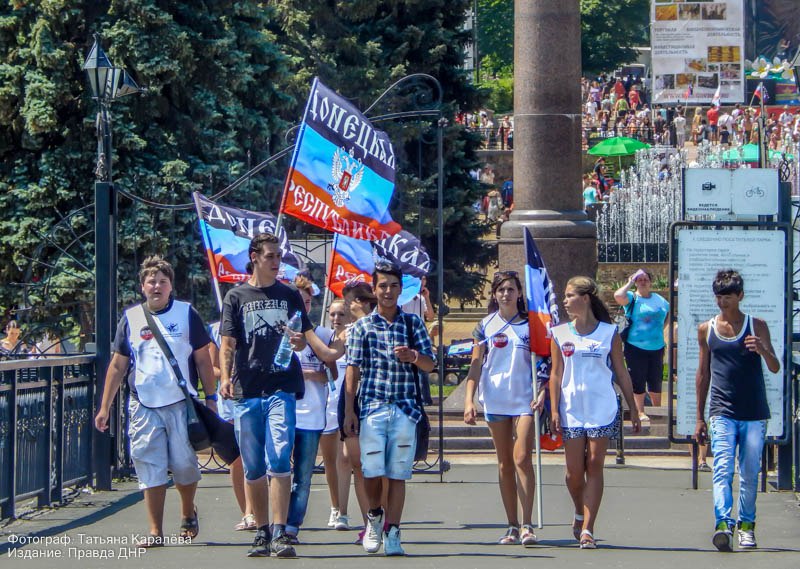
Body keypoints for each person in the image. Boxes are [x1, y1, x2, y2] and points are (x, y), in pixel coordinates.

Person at [218, 232, 342, 558]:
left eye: (278, 256)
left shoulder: (289, 295)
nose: (277, 262)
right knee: (253, 466)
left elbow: (305, 337)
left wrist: (302, 344)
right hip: (247, 389)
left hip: (281, 387)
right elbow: (227, 343)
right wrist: (225, 378)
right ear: (255, 256)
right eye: (271, 256)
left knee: (279, 456)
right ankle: (260, 531)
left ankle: (280, 531)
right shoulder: (236, 297)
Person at [94, 256, 217, 547]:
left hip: (180, 403)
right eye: (152, 281)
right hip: (144, 404)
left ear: (171, 286)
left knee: (185, 465)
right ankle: (155, 530)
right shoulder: (132, 318)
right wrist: (104, 407)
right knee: (149, 464)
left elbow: (202, 359)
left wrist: (210, 399)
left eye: (163, 281)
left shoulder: (187, 314)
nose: (157, 286)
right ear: (142, 287)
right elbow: (117, 365)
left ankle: (188, 513)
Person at [343, 262, 436, 556]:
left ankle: (393, 531)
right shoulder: (362, 327)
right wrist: (349, 411)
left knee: (397, 474)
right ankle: (374, 516)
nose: (388, 291)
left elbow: (430, 364)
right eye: (382, 286)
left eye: (393, 286)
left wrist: (413, 356)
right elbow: (352, 370)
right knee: (371, 471)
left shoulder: (412, 324)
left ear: (400, 289)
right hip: (372, 407)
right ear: (375, 289)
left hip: (405, 408)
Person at [549, 276, 640, 549]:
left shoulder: (608, 333)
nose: (565, 301)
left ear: (585, 298)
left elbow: (621, 372)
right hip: (572, 409)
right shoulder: (559, 333)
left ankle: (588, 527)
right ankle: (579, 510)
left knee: (595, 465)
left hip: (601, 407)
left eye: (569, 296)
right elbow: (555, 374)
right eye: (564, 296)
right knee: (573, 472)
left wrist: (633, 408)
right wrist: (553, 409)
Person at [694, 270, 780, 552]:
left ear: (740, 296)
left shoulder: (756, 326)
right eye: (719, 298)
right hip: (721, 410)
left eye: (728, 298)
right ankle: (722, 523)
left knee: (750, 471)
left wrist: (763, 349)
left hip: (754, 411)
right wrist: (699, 417)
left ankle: (746, 525)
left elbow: (775, 366)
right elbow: (703, 373)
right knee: (722, 469)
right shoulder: (707, 329)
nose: (722, 303)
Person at [463, 271, 545, 546]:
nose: (506, 294)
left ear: (520, 293)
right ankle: (511, 523)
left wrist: (542, 392)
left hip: (524, 399)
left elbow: (546, 363)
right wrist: (468, 400)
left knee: (522, 457)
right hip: (496, 398)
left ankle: (527, 523)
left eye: (510, 289)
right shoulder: (485, 325)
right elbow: (475, 364)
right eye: (501, 290)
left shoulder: (531, 324)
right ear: (495, 294)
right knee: (504, 462)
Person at [285, 275, 340, 543]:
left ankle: (292, 525)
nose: (302, 308)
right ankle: (276, 521)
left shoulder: (323, 335)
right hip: (282, 413)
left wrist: (311, 374)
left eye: (306, 302)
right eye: (297, 302)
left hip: (312, 415)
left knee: (302, 476)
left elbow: (333, 375)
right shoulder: (277, 334)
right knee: (278, 470)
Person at [208, 321, 255, 531]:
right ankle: (247, 512)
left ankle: (258, 511)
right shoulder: (215, 329)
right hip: (229, 399)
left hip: (255, 394)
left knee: (255, 456)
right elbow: (212, 368)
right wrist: (228, 372)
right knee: (237, 458)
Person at [614, 269, 670, 422]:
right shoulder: (632, 298)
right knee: (638, 379)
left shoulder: (660, 300)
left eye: (645, 279)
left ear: (650, 282)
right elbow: (618, 296)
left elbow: (667, 315)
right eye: (640, 279)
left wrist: (658, 330)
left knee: (655, 379)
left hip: (657, 347)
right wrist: (630, 282)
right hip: (635, 347)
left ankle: (657, 410)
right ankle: (640, 411)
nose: (643, 282)